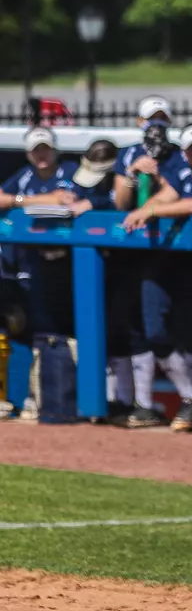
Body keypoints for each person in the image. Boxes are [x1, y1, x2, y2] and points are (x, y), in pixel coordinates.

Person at [119, 124, 192, 431]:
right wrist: (146, 207)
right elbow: (166, 196)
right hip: (170, 262)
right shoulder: (180, 173)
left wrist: (152, 213)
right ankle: (191, 398)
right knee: (156, 331)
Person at [109, 96, 185, 426]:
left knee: (160, 326)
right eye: (151, 119)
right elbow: (120, 202)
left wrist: (155, 184)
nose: (157, 126)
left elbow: (181, 193)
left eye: (162, 119)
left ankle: (191, 398)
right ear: (139, 123)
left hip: (167, 251)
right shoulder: (128, 154)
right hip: (130, 249)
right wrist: (133, 172)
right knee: (129, 325)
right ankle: (137, 402)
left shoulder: (179, 155)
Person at [1, 128, 80, 419]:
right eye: (36, 150)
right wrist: (32, 201)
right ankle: (27, 396)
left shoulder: (70, 172)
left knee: (60, 328)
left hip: (67, 264)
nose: (41, 155)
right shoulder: (23, 177)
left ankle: (50, 396)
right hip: (28, 263)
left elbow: (72, 199)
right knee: (27, 328)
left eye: (45, 148)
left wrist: (57, 199)